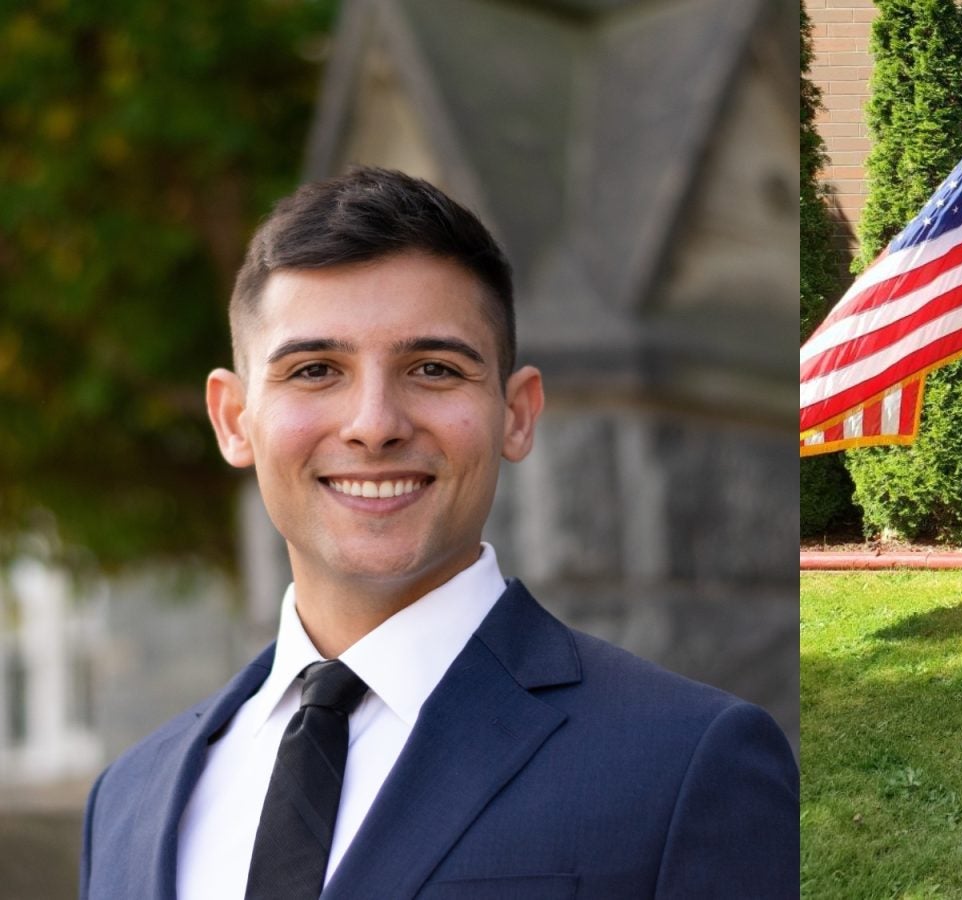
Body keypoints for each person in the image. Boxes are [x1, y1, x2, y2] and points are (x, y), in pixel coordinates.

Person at [78, 167, 798, 899]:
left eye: (432, 368)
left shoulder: (685, 762)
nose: (374, 425)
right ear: (233, 419)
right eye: (316, 369)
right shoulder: (129, 799)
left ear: (516, 413)